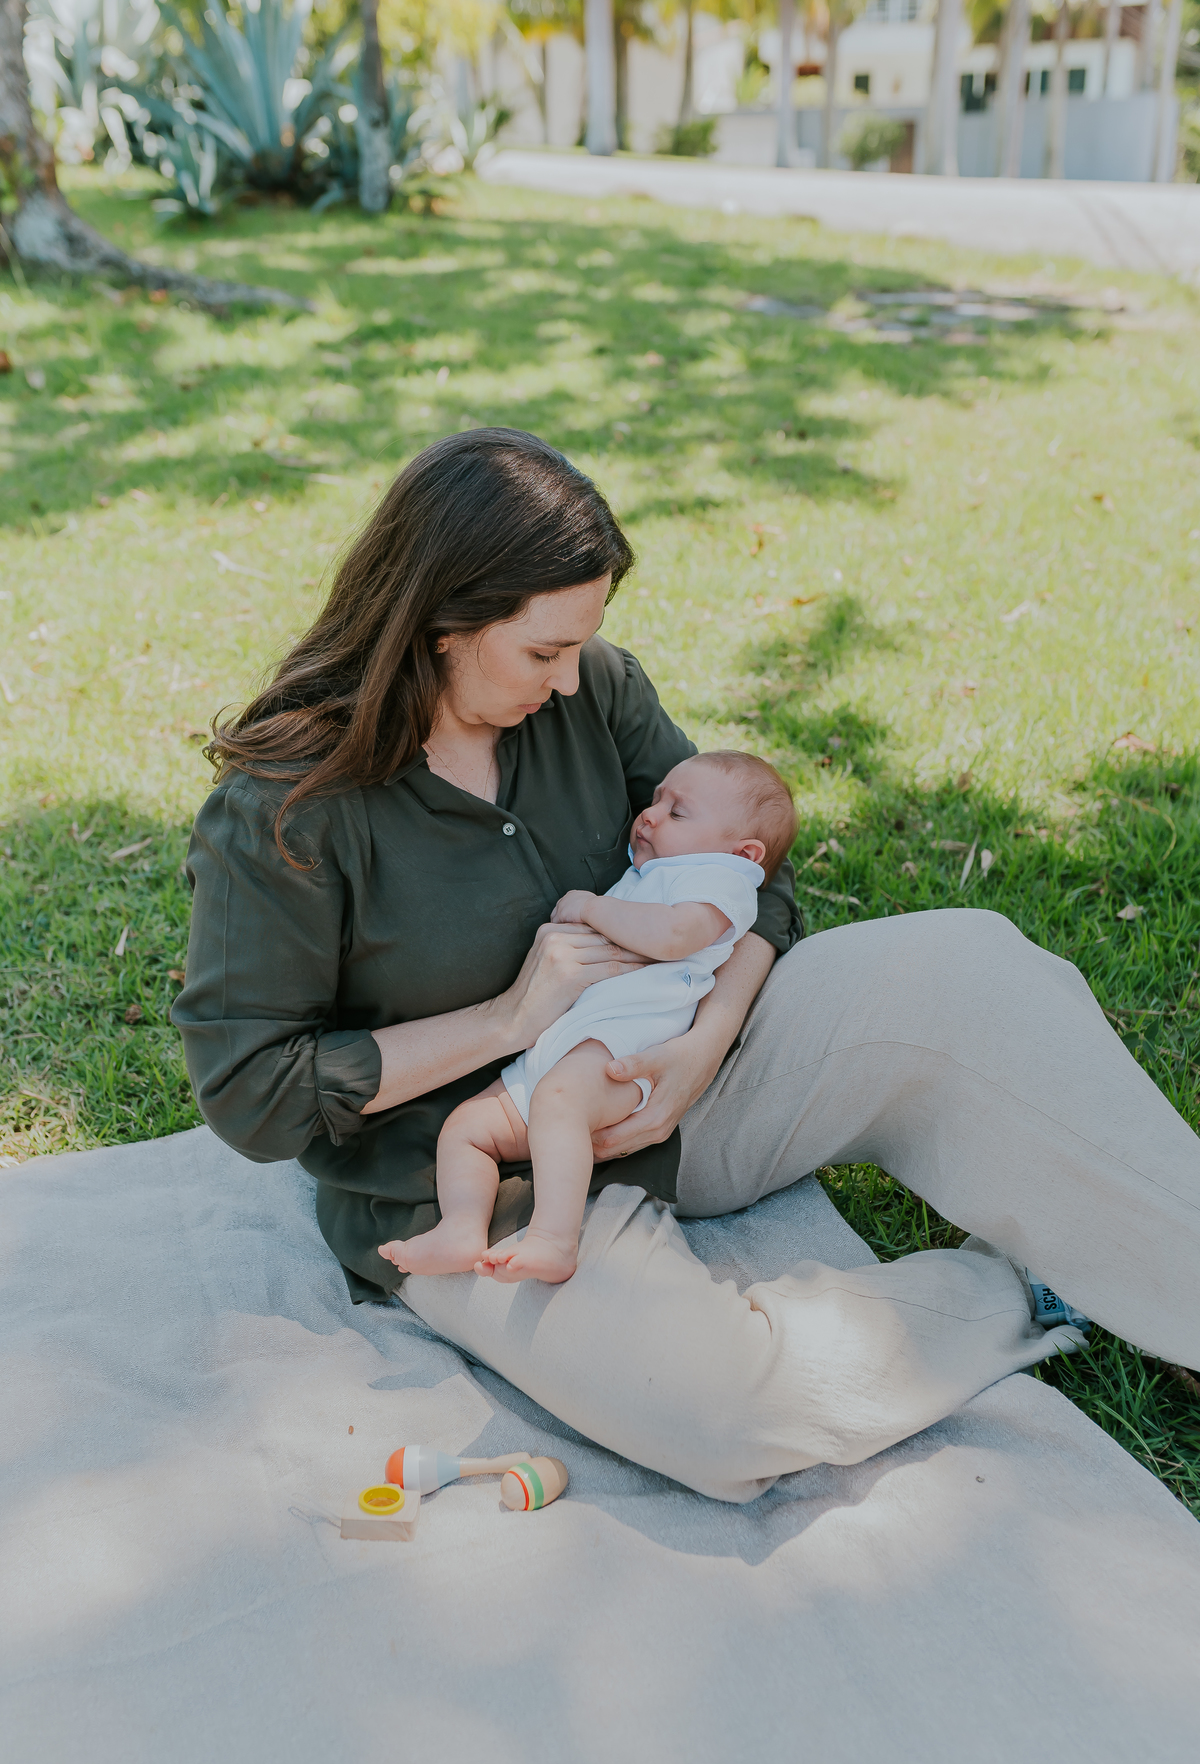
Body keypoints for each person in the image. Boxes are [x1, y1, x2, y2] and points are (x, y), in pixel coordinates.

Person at [174, 427, 1200, 1506]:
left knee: (971, 967)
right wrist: (507, 1023)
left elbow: (756, 877)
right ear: (440, 625)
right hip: (495, 1181)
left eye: (584, 643)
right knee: (726, 1418)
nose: (572, 681)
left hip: (691, 1083)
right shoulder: (282, 817)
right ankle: (1028, 1293)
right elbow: (255, 1096)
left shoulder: (596, 694)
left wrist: (705, 1050)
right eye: (541, 652)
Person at [378, 751, 796, 1284]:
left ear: (744, 852)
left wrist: (592, 907)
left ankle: (554, 1239)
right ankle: (462, 1226)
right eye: (656, 798)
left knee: (559, 1103)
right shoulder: (658, 872)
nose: (650, 814)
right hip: (564, 1047)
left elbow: (674, 936)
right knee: (467, 1128)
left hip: (624, 1048)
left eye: (678, 812)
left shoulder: (720, 881)